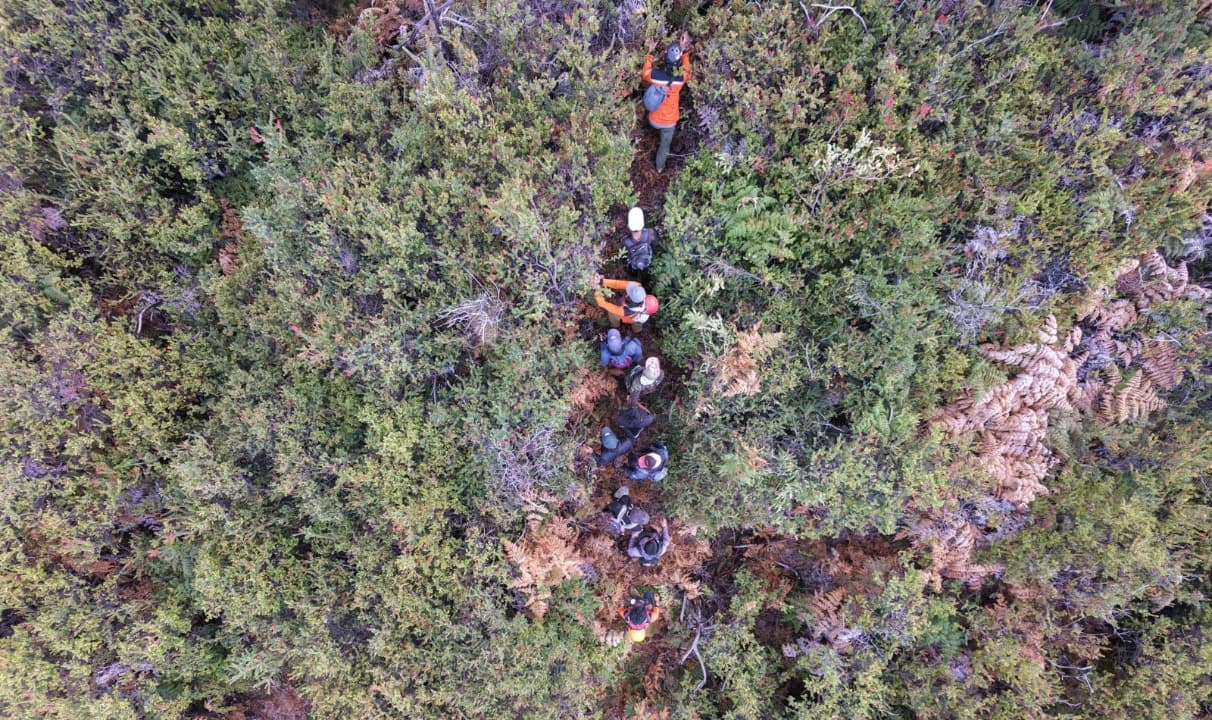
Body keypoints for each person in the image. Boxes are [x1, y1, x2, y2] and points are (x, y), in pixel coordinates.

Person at [641, 32, 691, 172]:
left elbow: (645, 73)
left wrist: (650, 53)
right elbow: (688, 72)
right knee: (665, 146)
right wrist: (685, 53)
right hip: (669, 122)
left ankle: (646, 133)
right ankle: (659, 168)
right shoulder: (680, 80)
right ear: (678, 63)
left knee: (651, 110)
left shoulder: (656, 76)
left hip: (653, 119)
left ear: (664, 58)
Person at [595, 276, 659, 326]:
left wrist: (597, 290)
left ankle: (616, 325)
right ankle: (636, 328)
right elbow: (617, 284)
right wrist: (601, 281)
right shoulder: (636, 287)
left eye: (629, 295)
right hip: (637, 314)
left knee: (613, 315)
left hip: (631, 318)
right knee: (637, 325)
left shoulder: (625, 311)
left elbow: (602, 303)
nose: (627, 293)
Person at [623, 207, 657, 271]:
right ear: (643, 224)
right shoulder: (650, 234)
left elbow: (625, 256)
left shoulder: (626, 242)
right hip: (649, 263)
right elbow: (654, 245)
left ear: (628, 227)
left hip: (633, 266)